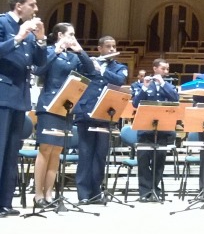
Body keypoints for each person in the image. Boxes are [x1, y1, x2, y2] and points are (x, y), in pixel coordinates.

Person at [32, 23, 94, 208]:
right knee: (46, 149)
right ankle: (38, 194)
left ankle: (50, 193)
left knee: (57, 151)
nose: (74, 38)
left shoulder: (73, 58)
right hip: (49, 105)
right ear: (60, 35)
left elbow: (91, 71)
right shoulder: (50, 51)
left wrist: (81, 51)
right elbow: (38, 70)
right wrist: (56, 51)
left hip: (66, 106)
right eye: (71, 35)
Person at [0, 0, 47, 218]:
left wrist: (40, 40)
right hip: (3, 95)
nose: (36, 9)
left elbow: (39, 64)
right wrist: (18, 37)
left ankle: (5, 202)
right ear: (19, 5)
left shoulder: (29, 30)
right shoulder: (3, 24)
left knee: (11, 152)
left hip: (19, 97)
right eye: (32, 4)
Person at [73, 36, 128, 204]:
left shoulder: (120, 68)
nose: (112, 49)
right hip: (86, 113)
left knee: (99, 156)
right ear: (100, 49)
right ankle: (83, 194)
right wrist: (92, 64)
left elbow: (119, 81)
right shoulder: (88, 63)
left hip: (105, 115)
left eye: (114, 46)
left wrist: (102, 70)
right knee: (85, 154)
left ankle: (96, 193)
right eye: (108, 46)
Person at [132, 58, 179, 201]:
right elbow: (135, 103)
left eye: (167, 69)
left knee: (159, 163)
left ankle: (155, 190)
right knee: (144, 162)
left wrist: (163, 83)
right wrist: (145, 87)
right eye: (163, 68)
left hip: (163, 131)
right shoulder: (145, 85)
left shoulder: (169, 86)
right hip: (145, 130)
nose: (166, 71)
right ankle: (145, 192)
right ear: (155, 68)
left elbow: (175, 98)